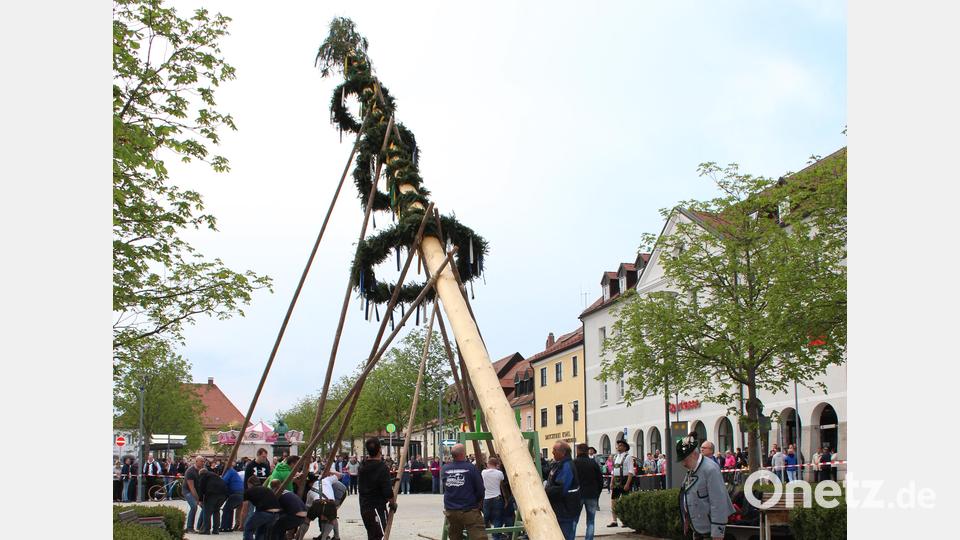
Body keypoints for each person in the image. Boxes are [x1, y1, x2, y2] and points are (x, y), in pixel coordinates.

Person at [676, 433, 735, 540]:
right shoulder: (692, 468)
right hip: (698, 527)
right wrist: (686, 518)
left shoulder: (710, 469)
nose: (683, 464)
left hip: (709, 530)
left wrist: (717, 532)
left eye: (685, 459)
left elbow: (719, 502)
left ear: (694, 454)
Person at [441, 443, 485, 540]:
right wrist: (476, 502)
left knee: (455, 536)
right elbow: (480, 489)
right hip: (468, 509)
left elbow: (446, 487)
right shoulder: (471, 468)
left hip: (451, 510)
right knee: (479, 536)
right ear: (463, 454)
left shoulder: (445, 469)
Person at [544, 441, 582, 540]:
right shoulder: (558, 464)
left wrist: (545, 492)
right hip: (561, 510)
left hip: (566, 511)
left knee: (565, 536)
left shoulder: (567, 466)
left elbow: (561, 489)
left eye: (554, 450)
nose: (552, 452)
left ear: (563, 452)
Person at [359, 437, 394, 540]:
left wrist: (389, 481)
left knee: (373, 535)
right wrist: (392, 503)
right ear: (380, 450)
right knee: (380, 536)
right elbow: (388, 492)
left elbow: (371, 483)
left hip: (364, 507)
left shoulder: (362, 466)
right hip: (377, 509)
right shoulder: (382, 468)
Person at [573, 443, 603, 540]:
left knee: (574, 520)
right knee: (590, 521)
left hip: (578, 494)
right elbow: (600, 480)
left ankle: (570, 537)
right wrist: (597, 493)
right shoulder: (593, 463)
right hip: (592, 494)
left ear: (578, 451)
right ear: (587, 451)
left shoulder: (574, 463)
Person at [608, 439, 634, 527]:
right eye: (618, 445)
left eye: (620, 445)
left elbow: (631, 471)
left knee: (625, 501)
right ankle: (614, 521)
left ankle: (625, 521)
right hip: (616, 480)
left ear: (625, 447)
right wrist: (611, 482)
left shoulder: (628, 457)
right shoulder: (615, 457)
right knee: (613, 501)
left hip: (625, 479)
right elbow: (613, 471)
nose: (618, 447)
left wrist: (627, 484)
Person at [481, 456, 506, 540]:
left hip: (487, 498)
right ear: (496, 465)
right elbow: (502, 479)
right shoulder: (499, 473)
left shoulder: (483, 472)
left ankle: (481, 535)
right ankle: (496, 537)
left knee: (486, 517)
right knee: (497, 519)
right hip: (497, 498)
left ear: (488, 464)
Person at [198, 467, 229, 534]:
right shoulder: (215, 475)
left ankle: (206, 530)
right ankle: (216, 529)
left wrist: (200, 500)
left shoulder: (203, 476)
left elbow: (201, 488)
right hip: (223, 494)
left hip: (212, 494)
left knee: (207, 512)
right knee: (216, 511)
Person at [221, 462, 246, 532]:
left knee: (226, 509)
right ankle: (228, 527)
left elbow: (223, 482)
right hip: (241, 493)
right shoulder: (234, 472)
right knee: (230, 509)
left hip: (236, 493)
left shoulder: (230, 471)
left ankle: (224, 527)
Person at [184, 455, 206, 534]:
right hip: (188, 491)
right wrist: (198, 500)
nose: (203, 463)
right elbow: (191, 487)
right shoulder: (190, 471)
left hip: (198, 491)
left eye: (204, 461)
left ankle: (199, 526)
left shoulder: (204, 470)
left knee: (205, 507)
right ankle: (189, 528)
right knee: (194, 506)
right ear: (196, 462)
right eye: (201, 461)